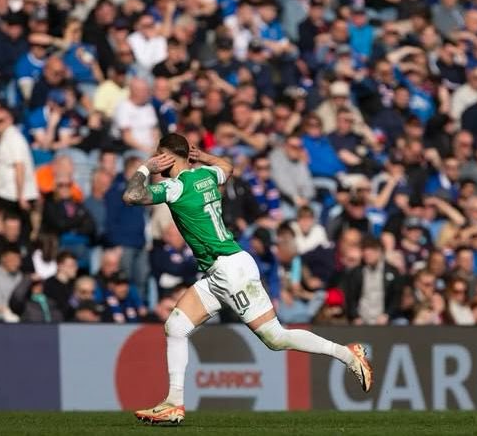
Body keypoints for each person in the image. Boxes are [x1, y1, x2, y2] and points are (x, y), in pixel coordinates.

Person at [123, 133, 372, 424]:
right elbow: (227, 167)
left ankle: (348, 354)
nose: (157, 159)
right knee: (176, 326)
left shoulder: (174, 187)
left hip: (230, 271)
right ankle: (173, 403)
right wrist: (203, 157)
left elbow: (132, 196)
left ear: (168, 157)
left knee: (276, 338)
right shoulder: (205, 175)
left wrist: (144, 167)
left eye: (159, 154)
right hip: (219, 272)